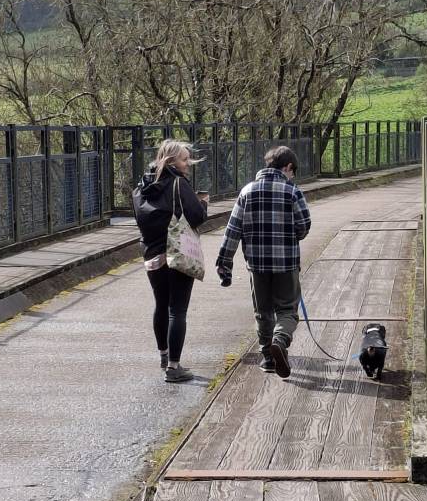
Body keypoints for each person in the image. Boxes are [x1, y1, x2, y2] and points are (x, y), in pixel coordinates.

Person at [215, 145, 311, 379]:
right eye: (293, 172)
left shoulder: (247, 191)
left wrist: (224, 262)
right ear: (288, 167)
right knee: (287, 310)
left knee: (263, 312)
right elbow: (304, 226)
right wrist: (290, 235)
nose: (292, 176)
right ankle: (280, 339)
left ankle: (268, 358)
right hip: (286, 264)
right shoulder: (292, 191)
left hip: (257, 265)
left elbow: (233, 230)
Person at [133, 139, 208, 383]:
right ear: (171, 161)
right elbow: (197, 217)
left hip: (152, 254)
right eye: (184, 160)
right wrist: (203, 203)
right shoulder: (179, 184)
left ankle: (164, 356)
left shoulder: (141, 187)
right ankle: (174, 368)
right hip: (177, 253)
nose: (188, 164)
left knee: (161, 305)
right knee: (177, 310)